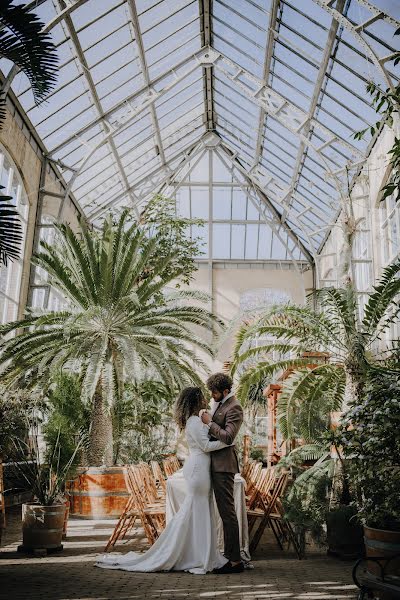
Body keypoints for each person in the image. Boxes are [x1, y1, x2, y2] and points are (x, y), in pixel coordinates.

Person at [95, 387, 229, 575]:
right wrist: (227, 441)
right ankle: (199, 555)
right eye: (201, 397)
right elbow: (206, 446)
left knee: (198, 511)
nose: (205, 400)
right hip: (199, 469)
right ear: (195, 401)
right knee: (199, 510)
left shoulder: (194, 421)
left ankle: (199, 553)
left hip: (199, 468)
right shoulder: (194, 422)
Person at [201, 372, 244, 574]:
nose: (212, 395)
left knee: (228, 514)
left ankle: (235, 561)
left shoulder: (234, 407)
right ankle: (230, 556)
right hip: (216, 466)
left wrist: (209, 423)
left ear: (226, 391)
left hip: (223, 467)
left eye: (215, 392)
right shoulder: (221, 404)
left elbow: (227, 437)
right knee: (225, 514)